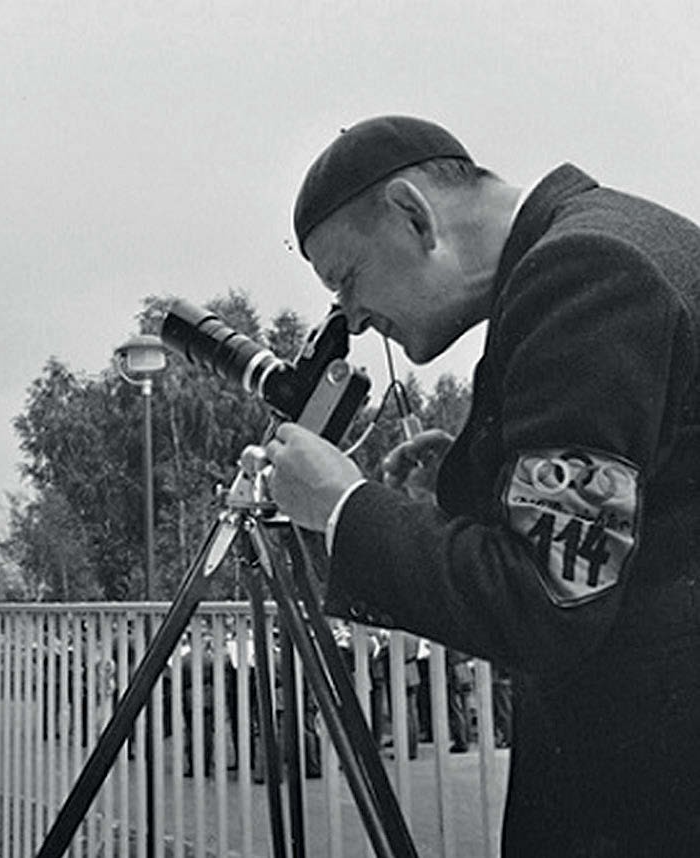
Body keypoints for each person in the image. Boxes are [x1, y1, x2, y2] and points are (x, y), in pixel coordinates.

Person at [259, 115, 700, 856]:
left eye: (347, 279)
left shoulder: (587, 273)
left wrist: (344, 507)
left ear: (412, 213)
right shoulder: (606, 241)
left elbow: (546, 596)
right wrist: (482, 484)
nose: (353, 319)